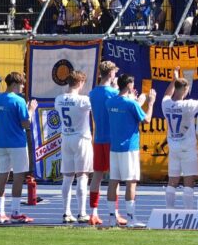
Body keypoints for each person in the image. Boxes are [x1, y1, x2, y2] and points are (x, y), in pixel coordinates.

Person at [104, 73, 155, 226]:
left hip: (115, 147)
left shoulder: (110, 102)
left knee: (113, 181)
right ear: (128, 86)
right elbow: (146, 119)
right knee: (131, 182)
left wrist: (136, 101)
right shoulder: (131, 104)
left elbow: (123, 110)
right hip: (129, 148)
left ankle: (112, 217)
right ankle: (131, 218)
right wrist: (150, 103)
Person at [0, 71, 36, 224]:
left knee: (2, 176)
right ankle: (15, 211)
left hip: (2, 143)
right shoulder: (19, 101)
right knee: (18, 177)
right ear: (16, 84)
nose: (23, 87)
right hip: (17, 144)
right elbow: (26, 123)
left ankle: (0, 212)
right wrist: (31, 110)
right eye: (22, 84)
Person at [160, 70, 198, 211]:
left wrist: (173, 80)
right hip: (187, 148)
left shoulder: (166, 104)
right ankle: (188, 212)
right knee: (189, 182)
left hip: (174, 147)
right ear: (186, 89)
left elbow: (166, 95)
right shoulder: (188, 105)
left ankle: (169, 210)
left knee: (172, 181)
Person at [54, 70, 94, 223]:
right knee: (82, 176)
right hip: (81, 138)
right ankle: (82, 212)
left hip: (66, 137)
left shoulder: (59, 99)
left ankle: (66, 212)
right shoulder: (83, 100)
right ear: (80, 83)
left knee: (67, 177)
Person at [87, 60, 119, 224]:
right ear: (111, 73)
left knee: (97, 176)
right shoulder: (113, 93)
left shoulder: (92, 93)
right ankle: (114, 213)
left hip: (98, 138)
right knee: (115, 178)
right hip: (112, 139)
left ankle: (93, 212)